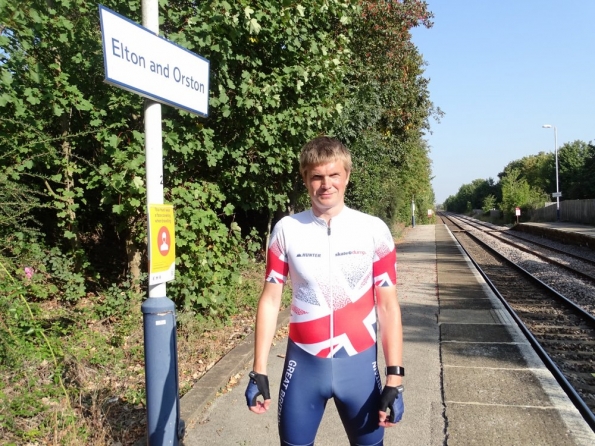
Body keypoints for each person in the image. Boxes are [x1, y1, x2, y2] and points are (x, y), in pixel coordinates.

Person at [245, 136, 404, 446]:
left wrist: (395, 379)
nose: (326, 184)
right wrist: (258, 370)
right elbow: (270, 300)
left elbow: (388, 307)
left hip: (359, 367)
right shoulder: (286, 231)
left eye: (334, 175)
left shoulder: (374, 231)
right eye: (317, 176)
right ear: (306, 179)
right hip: (303, 366)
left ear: (347, 176)